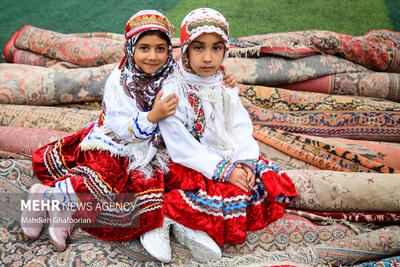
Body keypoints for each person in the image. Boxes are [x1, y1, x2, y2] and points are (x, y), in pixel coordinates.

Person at [22, 9, 237, 253]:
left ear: (170, 50)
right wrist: (152, 117)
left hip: (154, 146)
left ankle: (61, 205)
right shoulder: (119, 80)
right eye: (144, 48)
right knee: (109, 178)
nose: (153, 56)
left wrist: (224, 76)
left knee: (163, 181)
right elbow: (119, 126)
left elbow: (197, 76)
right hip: (119, 142)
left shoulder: (172, 72)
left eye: (160, 48)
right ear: (131, 47)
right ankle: (47, 196)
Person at [141, 7, 298, 263]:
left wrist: (244, 161)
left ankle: (191, 226)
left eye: (216, 48)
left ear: (226, 50)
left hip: (223, 155)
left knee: (256, 183)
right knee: (215, 193)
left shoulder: (223, 82)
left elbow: (238, 124)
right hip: (190, 161)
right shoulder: (173, 89)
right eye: (199, 48)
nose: (207, 58)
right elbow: (181, 146)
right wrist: (224, 170)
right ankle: (172, 222)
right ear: (186, 49)